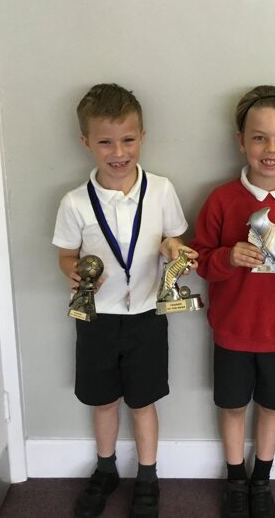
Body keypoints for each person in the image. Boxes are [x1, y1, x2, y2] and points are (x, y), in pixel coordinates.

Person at [53, 83, 197, 518]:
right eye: (105, 142)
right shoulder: (75, 202)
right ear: (86, 142)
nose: (119, 152)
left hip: (147, 316)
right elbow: (66, 255)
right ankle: (106, 469)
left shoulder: (161, 190)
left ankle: (148, 476)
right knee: (103, 400)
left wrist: (174, 250)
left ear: (143, 137)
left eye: (128, 139)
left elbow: (174, 238)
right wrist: (72, 271)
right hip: (97, 318)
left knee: (143, 401)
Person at [191, 85, 275, 518]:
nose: (271, 150)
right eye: (259, 138)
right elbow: (200, 262)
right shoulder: (220, 199)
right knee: (232, 406)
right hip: (232, 329)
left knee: (272, 406)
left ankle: (262, 480)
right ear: (241, 140)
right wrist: (227, 257)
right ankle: (236, 480)